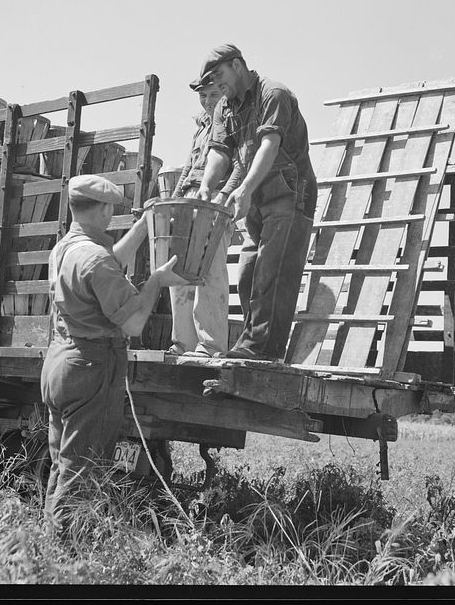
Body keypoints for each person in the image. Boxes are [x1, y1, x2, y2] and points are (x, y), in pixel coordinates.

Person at [41, 174, 187, 516]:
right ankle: (65, 556)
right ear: (106, 210)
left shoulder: (66, 248)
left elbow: (108, 262)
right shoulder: (97, 261)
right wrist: (156, 282)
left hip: (60, 362)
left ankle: (47, 546)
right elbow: (133, 324)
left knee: (62, 464)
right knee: (82, 472)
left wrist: (143, 227)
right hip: (91, 368)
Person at [196, 44, 317, 362]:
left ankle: (262, 349)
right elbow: (219, 151)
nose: (216, 83)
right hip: (258, 197)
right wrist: (207, 186)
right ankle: (255, 345)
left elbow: (270, 145)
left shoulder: (272, 94)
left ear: (237, 65)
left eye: (219, 75)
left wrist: (245, 189)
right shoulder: (225, 107)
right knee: (248, 273)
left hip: (291, 193)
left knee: (272, 271)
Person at [165, 75, 232, 357]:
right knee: (178, 270)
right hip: (190, 198)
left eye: (213, 95)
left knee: (210, 272)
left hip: (214, 199)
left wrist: (224, 196)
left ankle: (211, 345)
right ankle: (183, 342)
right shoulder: (202, 126)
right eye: (202, 96)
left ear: (226, 93)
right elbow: (189, 166)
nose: (207, 102)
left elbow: (238, 163)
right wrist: (175, 199)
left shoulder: (232, 123)